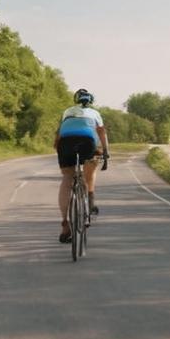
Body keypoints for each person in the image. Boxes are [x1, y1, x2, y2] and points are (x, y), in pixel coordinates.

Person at [55, 88, 109, 243]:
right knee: (89, 172)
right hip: (87, 143)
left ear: (76, 100)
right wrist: (105, 152)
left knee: (67, 177)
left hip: (65, 143)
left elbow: (59, 134)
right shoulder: (95, 113)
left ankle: (65, 223)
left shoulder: (67, 112)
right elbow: (101, 132)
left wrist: (60, 152)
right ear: (90, 101)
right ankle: (87, 210)